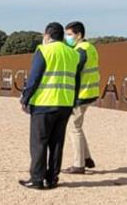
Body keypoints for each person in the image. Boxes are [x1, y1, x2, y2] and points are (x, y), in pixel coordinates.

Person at [19, 22, 85, 190]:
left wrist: (25, 98)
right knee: (57, 143)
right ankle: (52, 178)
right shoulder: (73, 54)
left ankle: (37, 179)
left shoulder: (44, 50)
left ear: (47, 35)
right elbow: (77, 81)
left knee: (39, 142)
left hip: (44, 103)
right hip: (65, 103)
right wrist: (73, 101)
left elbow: (34, 78)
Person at [62, 21, 99, 174]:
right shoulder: (90, 48)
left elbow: (74, 72)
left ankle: (79, 165)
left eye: (70, 34)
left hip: (80, 94)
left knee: (74, 128)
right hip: (90, 92)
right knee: (78, 126)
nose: (67, 37)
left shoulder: (80, 51)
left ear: (79, 35)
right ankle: (87, 159)